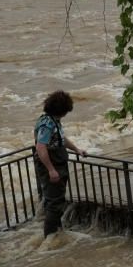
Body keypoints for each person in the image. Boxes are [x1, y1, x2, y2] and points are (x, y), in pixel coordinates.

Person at [33, 90, 86, 236]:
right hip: (53, 164)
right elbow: (40, 147)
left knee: (57, 199)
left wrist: (76, 149)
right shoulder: (47, 125)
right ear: (61, 110)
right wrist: (51, 170)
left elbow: (61, 138)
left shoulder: (53, 121)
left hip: (58, 161)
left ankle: (57, 230)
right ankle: (50, 237)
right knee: (54, 203)